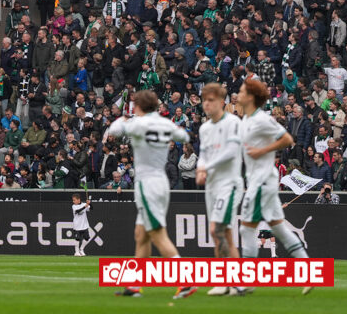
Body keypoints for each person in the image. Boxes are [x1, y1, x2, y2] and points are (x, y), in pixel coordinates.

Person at [103, 90, 196, 299]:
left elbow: (114, 130)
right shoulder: (165, 123)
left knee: (157, 234)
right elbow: (184, 136)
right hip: (161, 181)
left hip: (147, 183)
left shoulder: (138, 123)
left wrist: (125, 117)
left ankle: (186, 281)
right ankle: (135, 286)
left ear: (139, 107)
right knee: (141, 235)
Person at [237, 77, 311, 293]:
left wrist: (261, 152)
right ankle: (308, 273)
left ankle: (247, 282)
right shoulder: (247, 119)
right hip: (259, 179)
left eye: (242, 91)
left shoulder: (261, 119)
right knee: (279, 228)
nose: (238, 95)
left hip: (261, 180)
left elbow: (287, 139)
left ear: (250, 97)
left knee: (247, 229)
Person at [195, 83, 245, 296]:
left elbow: (232, 151)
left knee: (216, 230)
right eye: (204, 100)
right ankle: (229, 282)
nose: (206, 104)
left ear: (222, 103)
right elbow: (204, 154)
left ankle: (232, 281)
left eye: (211, 100)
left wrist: (207, 166)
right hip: (212, 186)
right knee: (223, 234)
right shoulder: (204, 127)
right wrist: (200, 168)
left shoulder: (233, 123)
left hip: (229, 183)